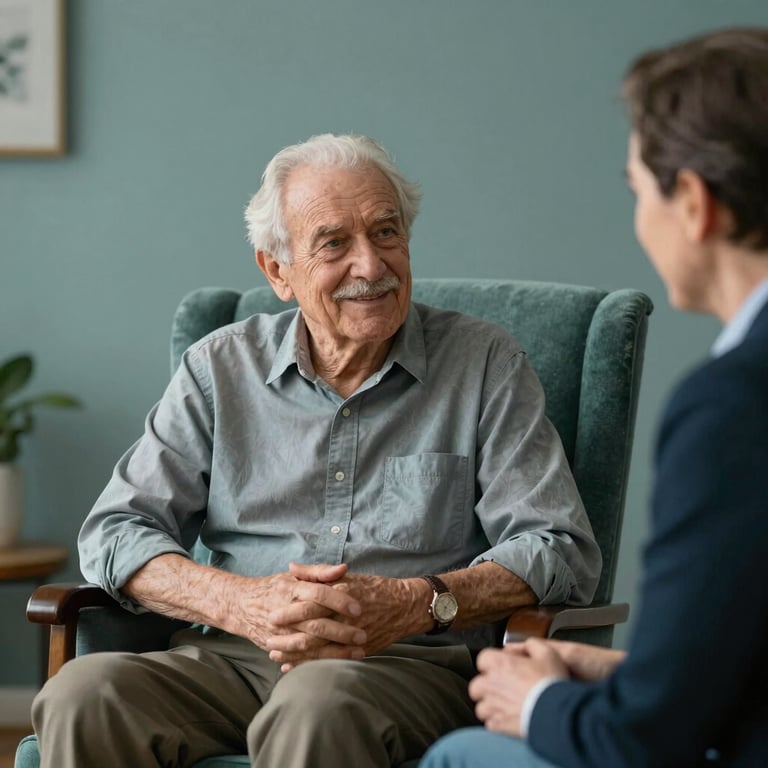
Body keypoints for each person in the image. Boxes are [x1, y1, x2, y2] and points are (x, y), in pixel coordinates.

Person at [31, 133, 601, 768]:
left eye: (386, 233)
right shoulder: (220, 368)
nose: (372, 265)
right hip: (233, 658)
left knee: (315, 702)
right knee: (82, 695)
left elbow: (560, 548)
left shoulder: (484, 363)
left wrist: (414, 601)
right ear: (277, 270)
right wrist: (239, 603)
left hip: (403, 667)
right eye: (335, 243)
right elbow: (115, 531)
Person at [420, 27, 768, 768]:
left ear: (697, 206)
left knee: (461, 757)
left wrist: (537, 702)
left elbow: (644, 741)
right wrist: (625, 675)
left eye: (638, 190)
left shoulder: (733, 407)